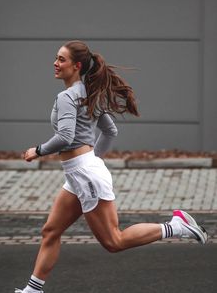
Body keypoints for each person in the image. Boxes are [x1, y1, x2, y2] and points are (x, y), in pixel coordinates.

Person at [15, 40, 207, 293]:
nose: (55, 63)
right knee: (50, 230)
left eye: (61, 59)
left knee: (114, 240)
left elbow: (64, 136)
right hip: (80, 173)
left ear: (77, 65)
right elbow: (110, 130)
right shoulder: (87, 93)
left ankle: (178, 226)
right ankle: (32, 290)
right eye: (56, 58)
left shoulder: (66, 97)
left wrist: (36, 151)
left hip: (84, 174)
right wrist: (95, 160)